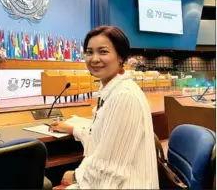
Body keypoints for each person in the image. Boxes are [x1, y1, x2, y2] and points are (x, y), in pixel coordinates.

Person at [50, 26, 159, 189]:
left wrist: (74, 176)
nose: (94, 59)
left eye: (103, 52)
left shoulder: (124, 96)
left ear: (120, 56)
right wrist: (72, 129)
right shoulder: (113, 89)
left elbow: (107, 170)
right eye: (89, 52)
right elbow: (102, 138)